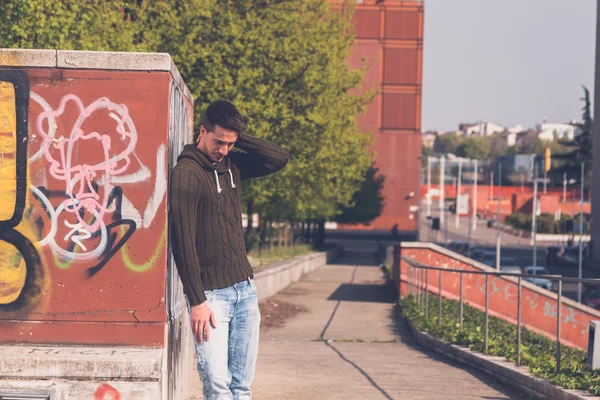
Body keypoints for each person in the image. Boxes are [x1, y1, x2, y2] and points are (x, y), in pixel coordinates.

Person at [169, 100, 289, 399]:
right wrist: (197, 302)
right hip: (212, 299)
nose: (222, 150)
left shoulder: (231, 165)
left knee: (241, 387)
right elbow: (182, 242)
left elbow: (278, 158)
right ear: (202, 132)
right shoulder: (187, 174)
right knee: (218, 385)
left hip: (245, 291)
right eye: (217, 141)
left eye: (230, 144)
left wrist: (237, 135)